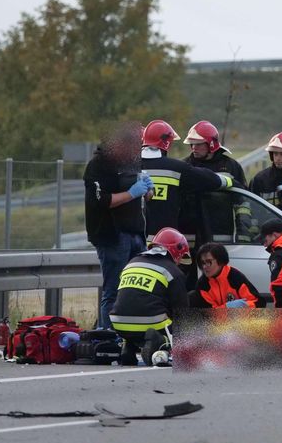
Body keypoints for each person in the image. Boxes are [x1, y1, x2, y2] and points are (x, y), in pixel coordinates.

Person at [140, 119, 235, 289]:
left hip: (134, 241)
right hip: (164, 244)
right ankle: (180, 316)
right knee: (168, 287)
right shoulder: (176, 168)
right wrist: (227, 179)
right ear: (166, 144)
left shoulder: (127, 167)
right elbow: (210, 180)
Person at [84, 122, 152, 329]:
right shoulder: (99, 166)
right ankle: (109, 337)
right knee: (113, 291)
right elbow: (102, 201)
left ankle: (130, 335)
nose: (138, 149)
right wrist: (132, 192)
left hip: (136, 234)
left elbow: (148, 197)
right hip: (112, 235)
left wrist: (148, 189)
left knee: (134, 291)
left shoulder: (132, 162)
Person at [110, 227, 190, 366]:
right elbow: (182, 310)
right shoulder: (173, 272)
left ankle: (129, 344)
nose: (180, 261)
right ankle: (159, 341)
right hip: (152, 324)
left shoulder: (132, 262)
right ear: (176, 252)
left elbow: (127, 297)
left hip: (119, 324)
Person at [179, 120, 254, 246]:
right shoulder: (185, 166)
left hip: (221, 234)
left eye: (198, 144)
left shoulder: (231, 166)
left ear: (211, 145)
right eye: (191, 144)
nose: (193, 148)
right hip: (189, 235)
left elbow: (243, 202)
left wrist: (244, 234)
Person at [188, 242, 263, 309]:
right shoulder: (202, 284)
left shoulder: (235, 277)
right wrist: (226, 308)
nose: (204, 267)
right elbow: (209, 315)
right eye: (202, 263)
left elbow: (259, 302)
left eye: (208, 262)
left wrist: (245, 306)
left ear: (220, 261)